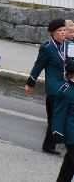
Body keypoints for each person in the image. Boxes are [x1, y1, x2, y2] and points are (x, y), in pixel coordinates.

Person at [26, 18, 73, 155]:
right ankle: (49, 144)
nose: (63, 33)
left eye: (64, 30)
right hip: (54, 87)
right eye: (60, 31)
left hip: (66, 85)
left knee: (56, 114)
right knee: (57, 115)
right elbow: (38, 66)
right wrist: (30, 83)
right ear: (53, 33)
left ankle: (52, 142)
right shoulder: (47, 47)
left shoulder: (69, 45)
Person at [52, 62, 74, 181]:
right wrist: (57, 133)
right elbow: (59, 114)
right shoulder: (65, 91)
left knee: (69, 166)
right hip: (72, 135)